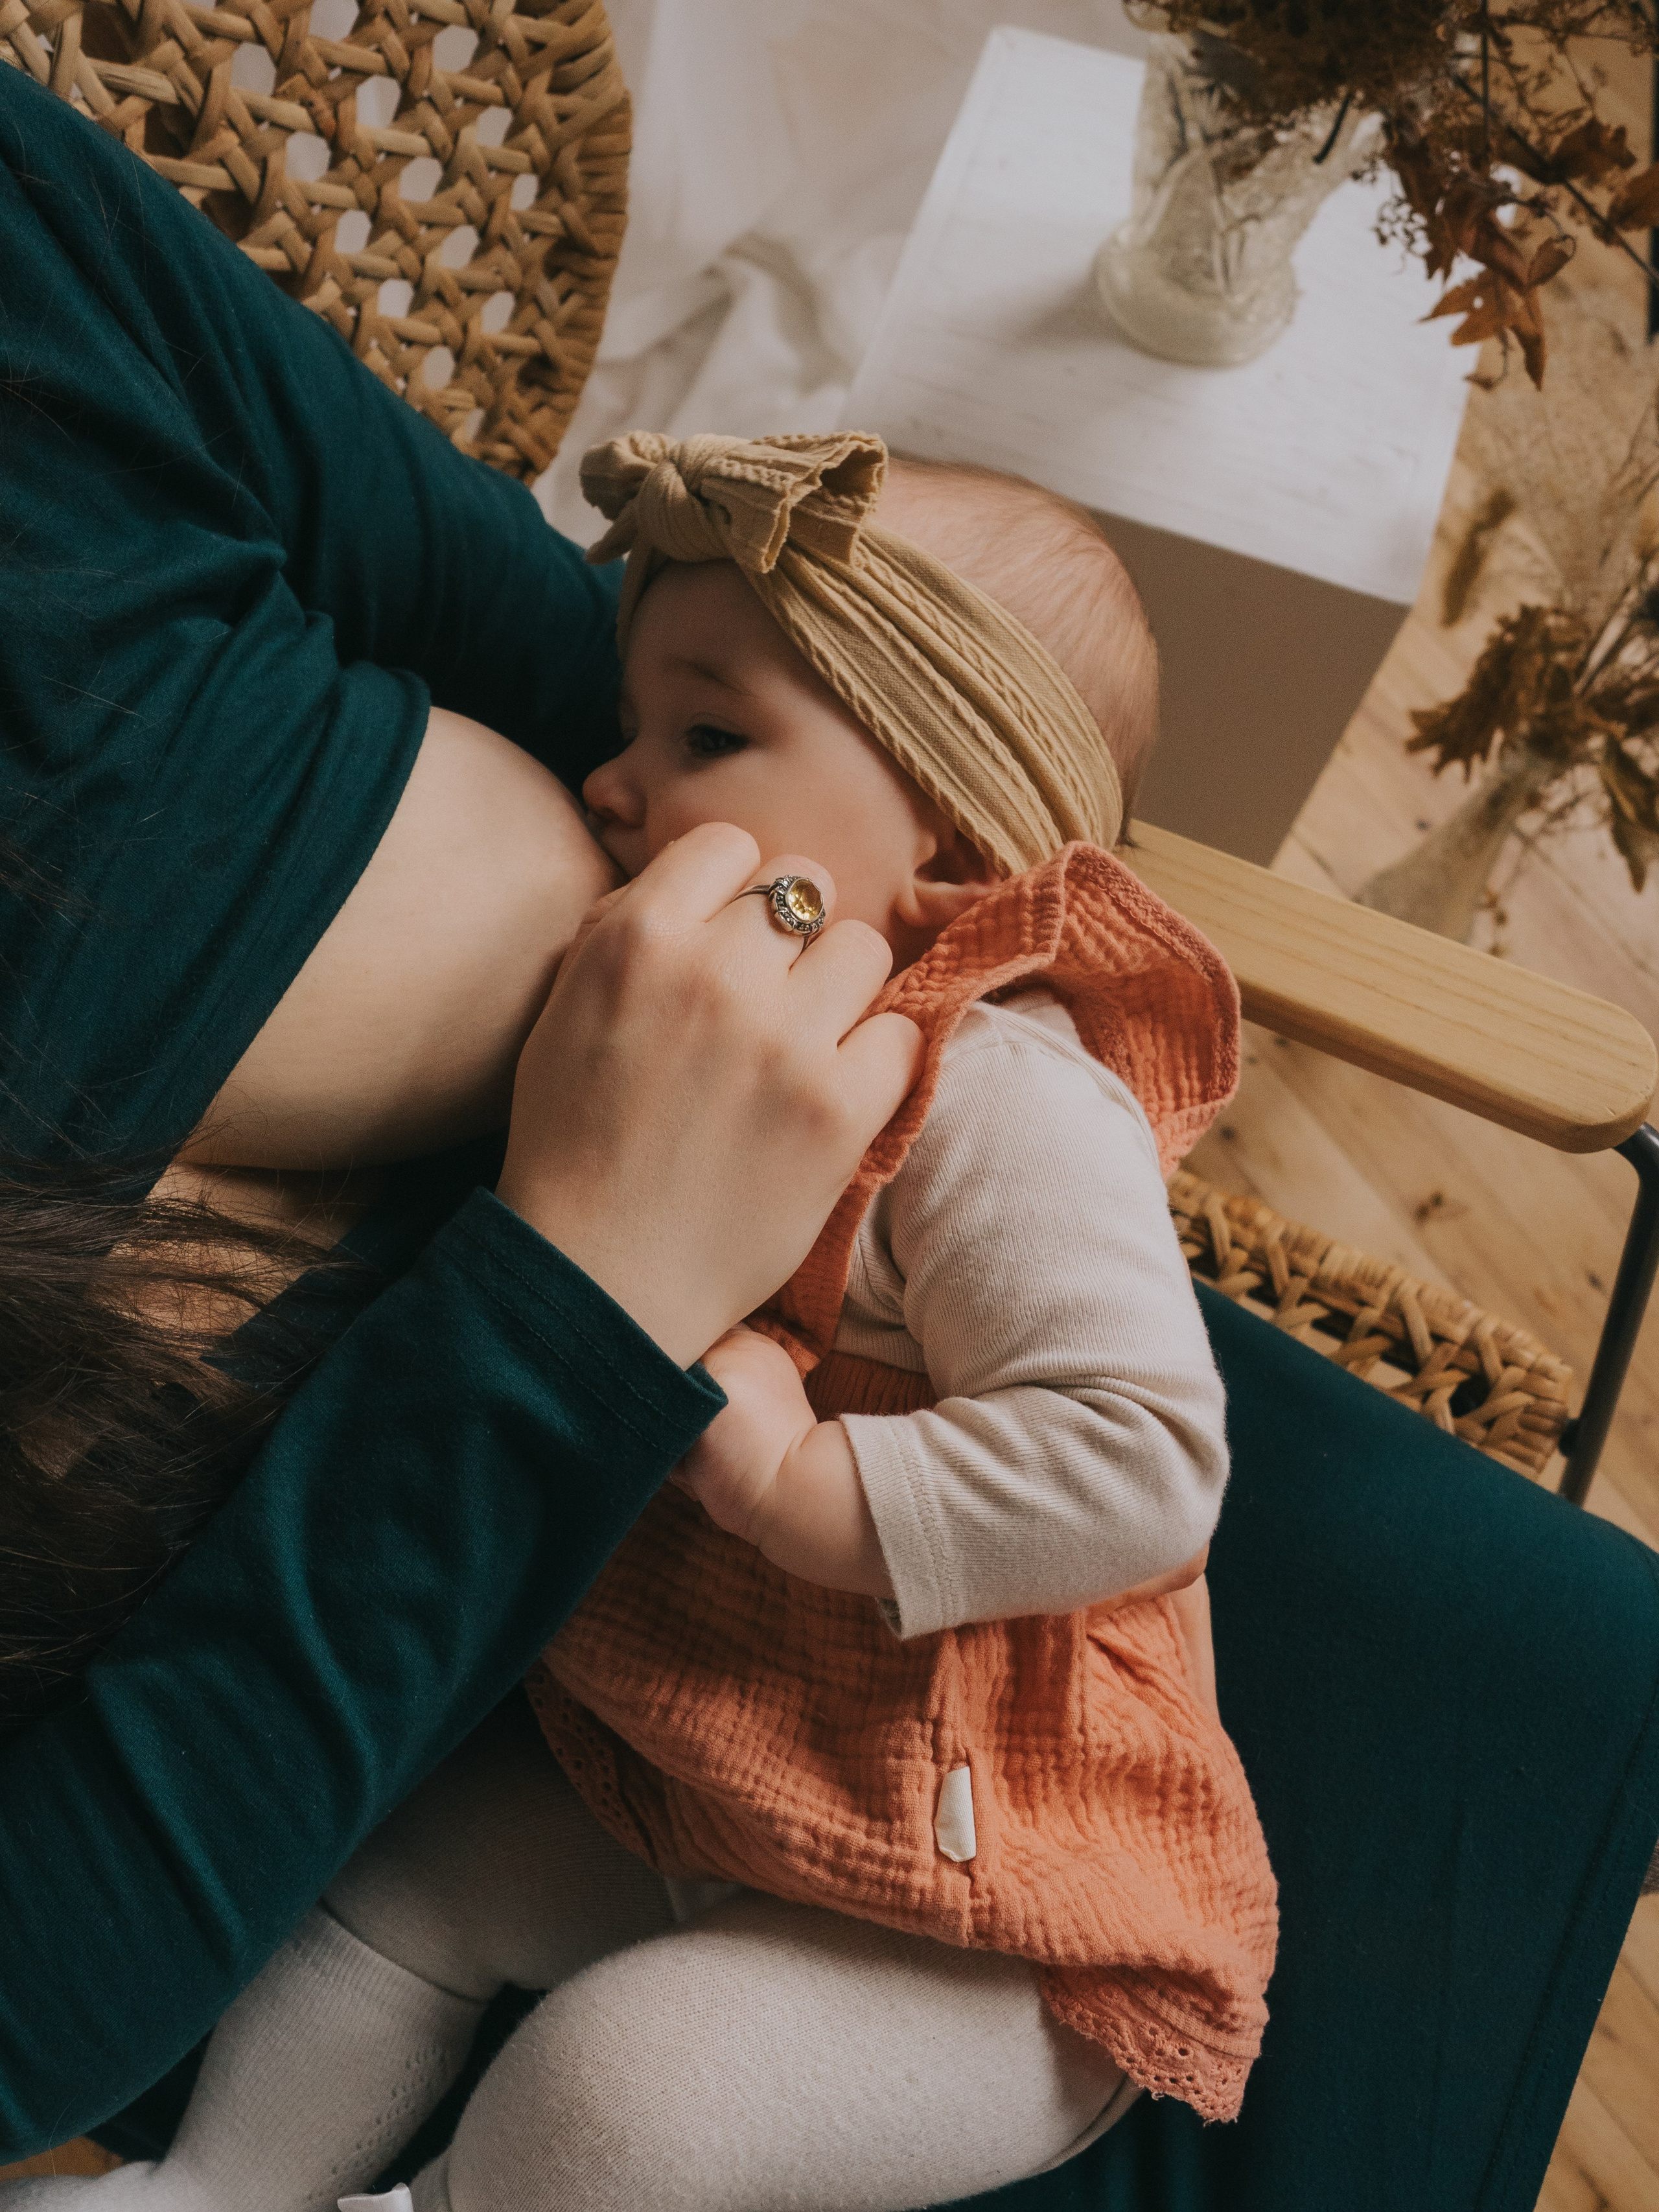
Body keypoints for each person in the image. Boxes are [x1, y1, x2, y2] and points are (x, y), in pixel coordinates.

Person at [9, 432, 1276, 2212]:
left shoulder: (1000, 1100)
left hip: (984, 1905)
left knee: (622, 2094)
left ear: (942, 816)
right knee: (394, 1883)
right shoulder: (723, 1036)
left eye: (705, 737)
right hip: (734, 1776)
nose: (614, 786)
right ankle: (213, 2188)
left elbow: (1144, 1464)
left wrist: (799, 1488)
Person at [0, 65, 918, 2157]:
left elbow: (566, 644)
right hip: (360, 1823)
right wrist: (586, 1287)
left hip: (900, 1342)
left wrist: (817, 869)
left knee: (1553, 1704)